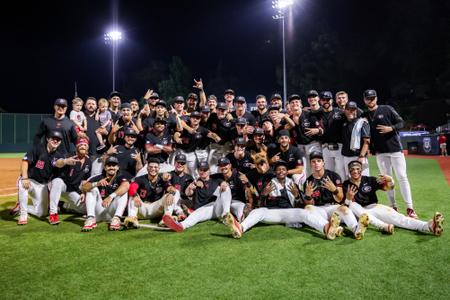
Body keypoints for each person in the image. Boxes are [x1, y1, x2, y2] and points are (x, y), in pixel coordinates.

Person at [223, 160, 343, 240]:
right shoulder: (268, 183)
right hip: (272, 212)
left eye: (283, 169)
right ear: (275, 172)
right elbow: (259, 205)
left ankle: (327, 228)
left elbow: (301, 205)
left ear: (286, 172)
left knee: (304, 213)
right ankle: (240, 228)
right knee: (258, 212)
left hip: (288, 212)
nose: (281, 171)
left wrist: (296, 196)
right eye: (278, 169)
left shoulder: (292, 184)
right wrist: (263, 194)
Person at [343, 160, 444, 236]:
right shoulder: (345, 184)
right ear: (349, 171)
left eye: (357, 169)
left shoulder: (370, 180)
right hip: (358, 214)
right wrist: (348, 198)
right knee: (353, 204)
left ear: (361, 170)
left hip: (373, 207)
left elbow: (388, 188)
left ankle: (429, 226)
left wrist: (391, 180)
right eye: (352, 169)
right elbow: (345, 206)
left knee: (399, 218)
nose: (355, 171)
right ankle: (383, 226)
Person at [362, 89, 418, 218]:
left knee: (402, 177)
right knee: (386, 180)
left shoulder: (386, 109)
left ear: (376, 98)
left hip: (395, 150)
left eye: (372, 98)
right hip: (381, 152)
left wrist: (391, 128)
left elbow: (401, 123)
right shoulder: (364, 115)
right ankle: (393, 206)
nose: (370, 100)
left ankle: (410, 208)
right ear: (364, 100)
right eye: (368, 98)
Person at [303, 151, 369, 240]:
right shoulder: (308, 181)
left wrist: (334, 190)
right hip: (320, 211)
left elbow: (340, 199)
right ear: (310, 164)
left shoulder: (333, 176)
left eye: (319, 161)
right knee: (307, 209)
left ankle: (356, 230)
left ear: (323, 163)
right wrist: (308, 196)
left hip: (333, 208)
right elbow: (310, 204)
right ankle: (328, 229)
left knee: (345, 209)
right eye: (313, 161)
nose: (316, 164)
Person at [162, 162, 232, 232]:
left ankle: (226, 216)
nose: (203, 171)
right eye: (201, 170)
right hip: (205, 209)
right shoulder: (195, 183)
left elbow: (224, 182)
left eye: (205, 170)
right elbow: (188, 194)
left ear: (209, 170)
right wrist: (190, 188)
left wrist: (223, 183)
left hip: (217, 206)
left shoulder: (216, 179)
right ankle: (181, 226)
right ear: (198, 171)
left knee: (226, 188)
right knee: (197, 214)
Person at [16, 131, 65, 225]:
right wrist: (25, 178)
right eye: (53, 138)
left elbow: (55, 178)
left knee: (41, 213)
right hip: (30, 180)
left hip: (42, 186)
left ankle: (22, 206)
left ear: (60, 142)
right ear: (47, 139)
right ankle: (23, 215)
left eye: (58, 139)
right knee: (22, 183)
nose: (55, 141)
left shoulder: (59, 156)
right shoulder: (37, 148)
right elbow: (25, 161)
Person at [124, 158, 183, 228]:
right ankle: (132, 218)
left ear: (159, 169)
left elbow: (171, 188)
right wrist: (135, 196)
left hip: (156, 209)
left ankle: (167, 217)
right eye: (151, 167)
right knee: (133, 195)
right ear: (147, 168)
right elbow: (132, 187)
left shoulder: (162, 180)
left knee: (174, 192)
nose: (153, 169)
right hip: (142, 208)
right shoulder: (140, 178)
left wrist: (171, 194)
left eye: (155, 167)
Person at [48, 137, 92, 224]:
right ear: (77, 146)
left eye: (85, 145)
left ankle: (63, 205)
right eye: (80, 145)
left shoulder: (88, 162)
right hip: (61, 185)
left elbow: (85, 180)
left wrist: (83, 192)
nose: (83, 147)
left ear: (87, 148)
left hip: (71, 189)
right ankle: (53, 214)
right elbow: (57, 163)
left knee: (84, 209)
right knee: (58, 181)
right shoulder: (69, 156)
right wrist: (65, 161)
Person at [80, 156, 129, 231]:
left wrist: (111, 196)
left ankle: (116, 219)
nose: (111, 167)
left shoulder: (121, 177)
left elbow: (126, 186)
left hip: (112, 212)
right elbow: (83, 187)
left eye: (114, 165)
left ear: (118, 167)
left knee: (124, 191)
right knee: (92, 189)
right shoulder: (99, 177)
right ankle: (90, 218)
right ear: (105, 167)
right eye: (109, 165)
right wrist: (96, 184)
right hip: (99, 210)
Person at [319, 91, 346, 179]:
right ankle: (330, 192)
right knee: (328, 173)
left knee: (341, 172)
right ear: (320, 101)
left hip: (339, 146)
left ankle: (342, 192)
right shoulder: (317, 114)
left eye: (328, 99)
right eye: (324, 100)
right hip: (325, 147)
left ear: (332, 100)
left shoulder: (340, 112)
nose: (326, 101)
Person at [341, 101, 370, 177]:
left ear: (356, 110)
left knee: (363, 180)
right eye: (348, 109)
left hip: (358, 156)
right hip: (346, 156)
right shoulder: (343, 123)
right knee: (350, 182)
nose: (351, 111)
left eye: (353, 109)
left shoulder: (362, 122)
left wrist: (362, 156)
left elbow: (366, 141)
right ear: (345, 110)